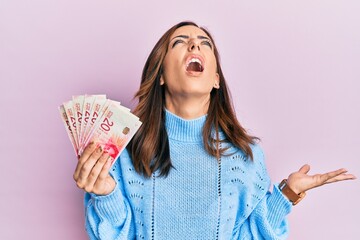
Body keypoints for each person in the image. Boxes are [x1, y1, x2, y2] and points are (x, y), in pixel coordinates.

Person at [73, 21, 356, 240]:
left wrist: (288, 194)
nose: (194, 46)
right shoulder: (125, 150)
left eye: (204, 43)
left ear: (216, 79)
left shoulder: (246, 155)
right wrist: (106, 195)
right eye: (180, 43)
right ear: (160, 75)